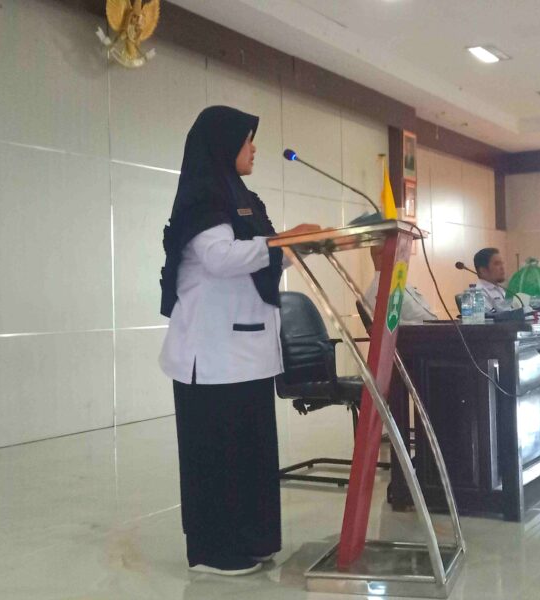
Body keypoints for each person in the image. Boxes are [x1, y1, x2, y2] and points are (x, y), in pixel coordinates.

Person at [158, 106, 320, 577]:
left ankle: (252, 540)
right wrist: (284, 243)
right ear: (223, 144)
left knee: (250, 454)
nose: (254, 148)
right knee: (218, 457)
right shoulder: (205, 198)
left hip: (246, 352)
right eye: (247, 140)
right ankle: (214, 551)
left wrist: (293, 246)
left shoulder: (243, 197)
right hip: (212, 356)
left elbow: (262, 257)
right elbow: (220, 258)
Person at [363, 242, 436, 324]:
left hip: (435, 329)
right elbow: (392, 328)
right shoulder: (380, 289)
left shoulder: (397, 282)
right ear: (382, 255)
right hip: (423, 331)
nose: (404, 257)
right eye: (400, 252)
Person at [474, 247, 509, 312]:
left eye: (502, 263)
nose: (502, 267)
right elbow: (490, 317)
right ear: (483, 270)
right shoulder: (479, 294)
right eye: (497, 264)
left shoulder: (500, 288)